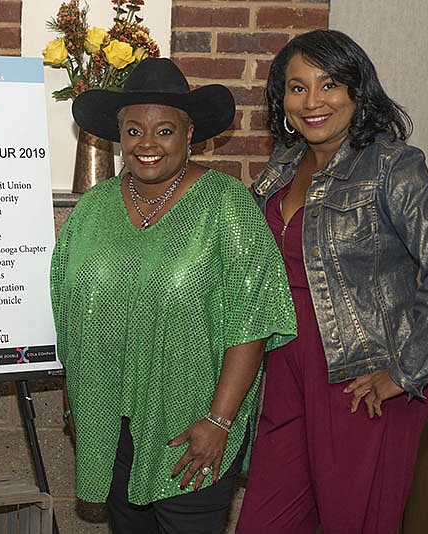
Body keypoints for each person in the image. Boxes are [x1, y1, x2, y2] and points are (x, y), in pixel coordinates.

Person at [51, 58, 296, 533]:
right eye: (133, 130)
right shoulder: (93, 209)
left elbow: (252, 322)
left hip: (190, 430)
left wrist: (220, 422)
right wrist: (75, 405)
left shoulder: (226, 206)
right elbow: (68, 311)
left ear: (190, 135)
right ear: (118, 136)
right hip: (108, 426)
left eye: (164, 131)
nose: (147, 144)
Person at [235, 29, 428, 534]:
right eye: (296, 87)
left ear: (358, 91)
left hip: (363, 378)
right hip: (285, 369)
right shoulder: (282, 166)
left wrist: (406, 372)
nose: (312, 101)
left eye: (329, 84)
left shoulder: (391, 166)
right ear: (280, 98)